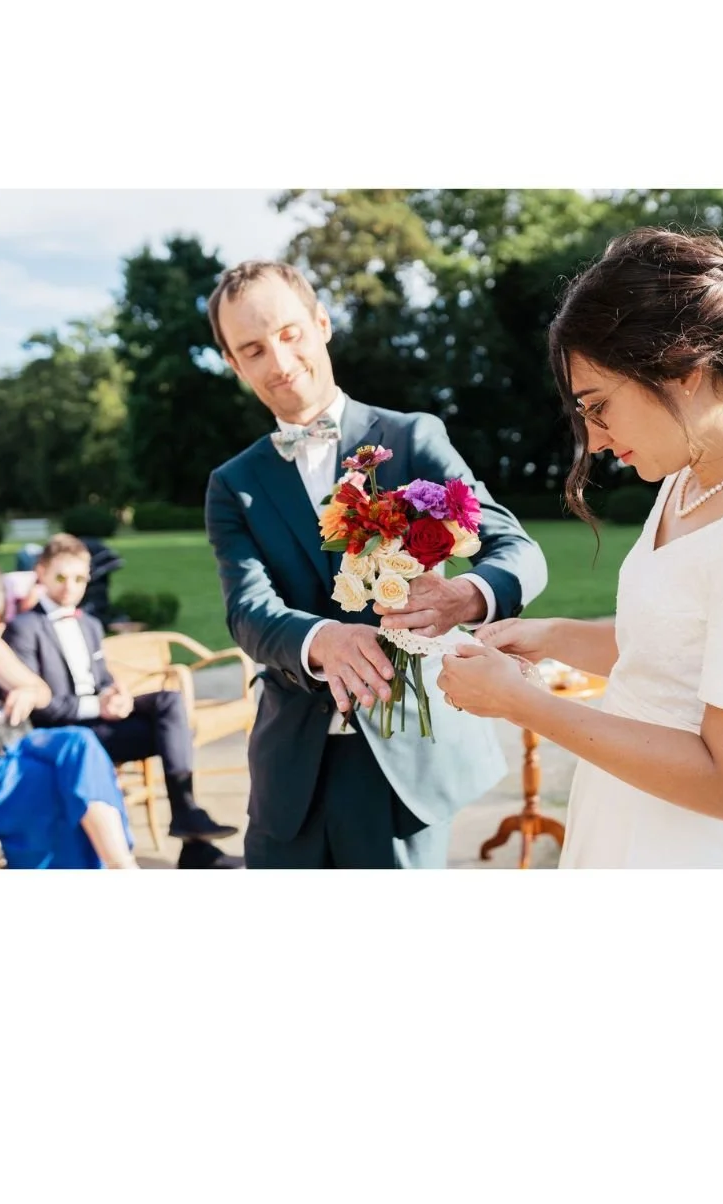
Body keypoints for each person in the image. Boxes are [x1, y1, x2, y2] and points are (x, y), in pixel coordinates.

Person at [438, 227, 723, 869]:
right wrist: (547, 635)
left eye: (598, 407)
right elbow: (671, 655)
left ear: (682, 368)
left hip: (691, 850)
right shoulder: (690, 475)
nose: (596, 441)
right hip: (624, 812)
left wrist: (524, 704)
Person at [204, 259, 548, 869]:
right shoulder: (234, 485)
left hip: (403, 760)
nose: (279, 364)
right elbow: (247, 611)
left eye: (289, 335)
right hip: (291, 771)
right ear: (233, 364)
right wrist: (322, 638)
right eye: (253, 350)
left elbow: (518, 551)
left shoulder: (413, 437)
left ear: (321, 322)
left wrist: (462, 597)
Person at [1, 534, 238, 862]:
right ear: (40, 572)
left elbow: (102, 679)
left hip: (103, 723)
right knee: (173, 736)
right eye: (60, 577)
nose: (70, 586)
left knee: (168, 702)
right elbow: (39, 707)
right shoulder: (24, 629)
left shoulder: (92, 625)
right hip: (68, 736)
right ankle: (196, 848)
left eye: (79, 578)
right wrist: (96, 706)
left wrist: (118, 694)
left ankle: (187, 814)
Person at [0, 563, 137, 869]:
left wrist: (26, 693)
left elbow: (40, 690)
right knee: (45, 780)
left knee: (79, 742)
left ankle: (120, 862)